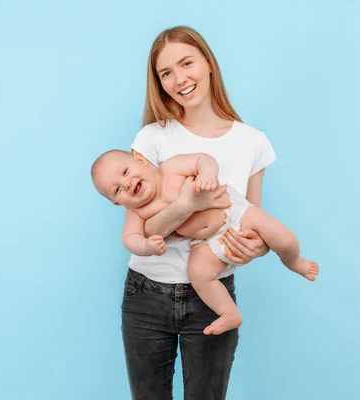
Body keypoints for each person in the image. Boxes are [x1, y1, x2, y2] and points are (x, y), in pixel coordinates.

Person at [113, 25, 279, 399]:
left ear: (208, 63)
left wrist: (258, 248)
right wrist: (188, 204)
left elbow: (253, 218)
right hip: (146, 295)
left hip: (213, 295)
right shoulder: (152, 138)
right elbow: (144, 228)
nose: (178, 79)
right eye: (165, 73)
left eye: (186, 63)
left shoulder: (253, 142)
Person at [91, 150, 319, 335]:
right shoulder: (137, 211)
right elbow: (130, 238)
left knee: (284, 238)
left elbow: (202, 159)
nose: (127, 183)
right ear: (117, 203)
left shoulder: (169, 169)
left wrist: (207, 173)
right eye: (117, 189)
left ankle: (294, 261)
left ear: (141, 160)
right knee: (198, 274)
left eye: (125, 171)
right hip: (204, 241)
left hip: (234, 212)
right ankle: (229, 313)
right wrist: (146, 246)